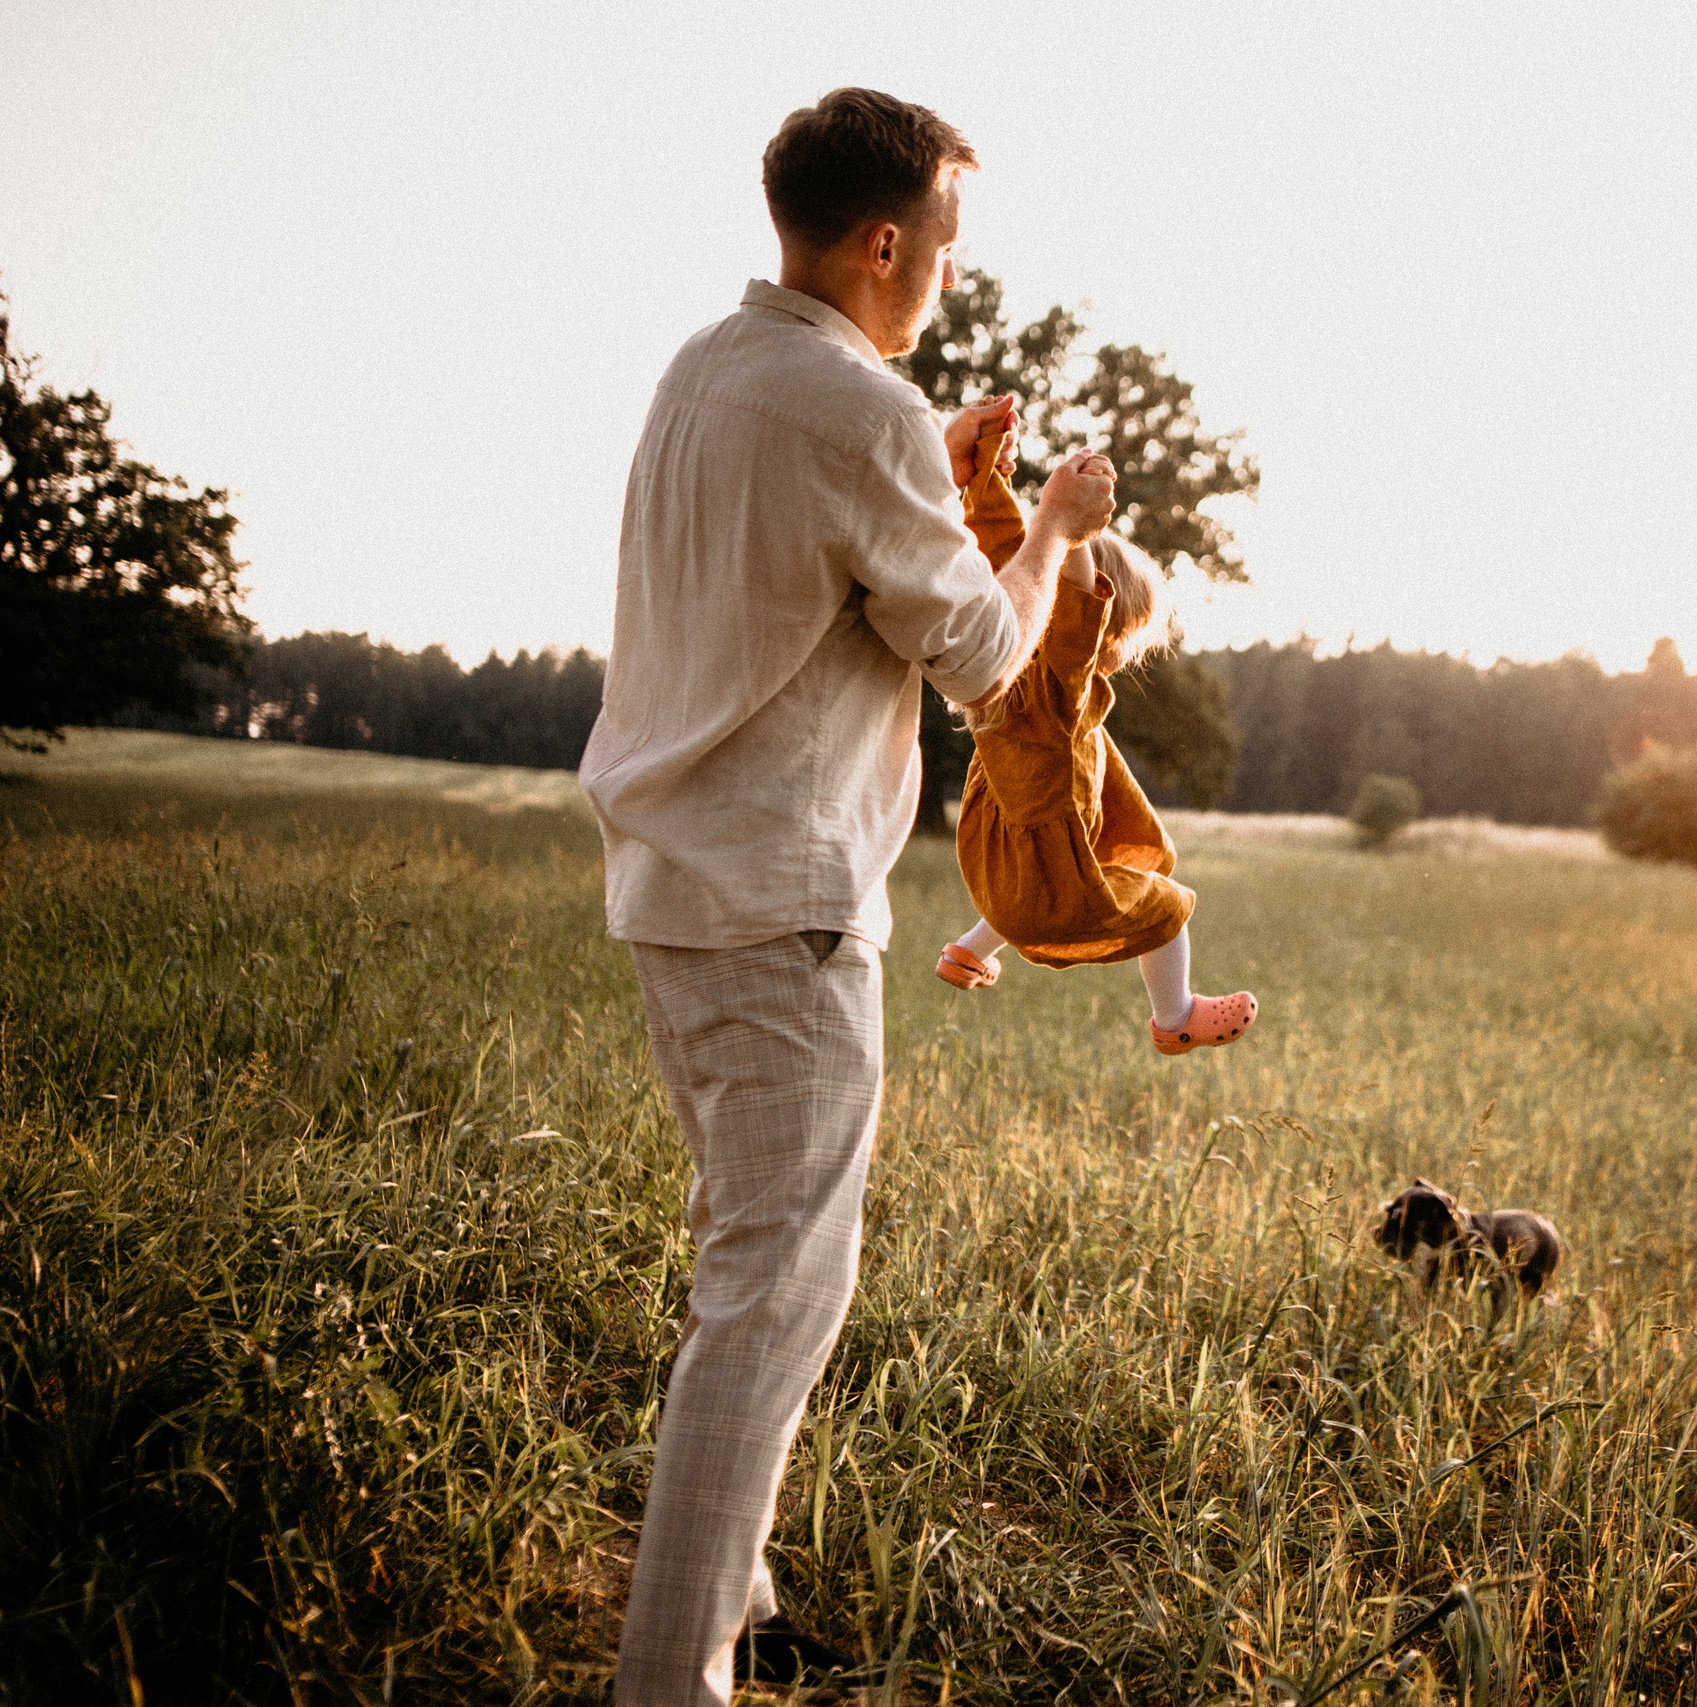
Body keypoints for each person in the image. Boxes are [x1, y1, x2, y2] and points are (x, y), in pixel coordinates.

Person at [577, 90, 1118, 1706]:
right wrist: (1060, 535)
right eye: (945, 248)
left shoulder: (707, 372)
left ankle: (734, 1602)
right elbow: (983, 656)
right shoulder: (857, 406)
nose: (948, 279)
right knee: (768, 1306)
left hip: (676, 888)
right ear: (886, 244)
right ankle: (672, 1683)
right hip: (787, 905)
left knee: (741, 1263)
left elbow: (821, 580)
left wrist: (939, 496)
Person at [931, 430, 1256, 1053]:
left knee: (1072, 795)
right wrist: (1073, 532)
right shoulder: (1059, 684)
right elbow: (1073, 606)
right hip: (1051, 888)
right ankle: (1177, 1017)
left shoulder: (1004, 675)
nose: (1118, 656)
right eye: (1120, 635)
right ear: (1097, 629)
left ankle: (967, 954)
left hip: (997, 873)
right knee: (1166, 909)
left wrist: (986, 479)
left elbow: (1004, 550)